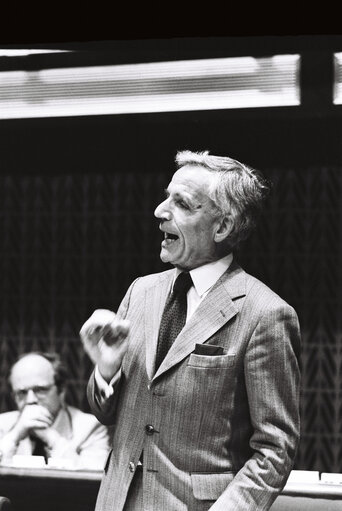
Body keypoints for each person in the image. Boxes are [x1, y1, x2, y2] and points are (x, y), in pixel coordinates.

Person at [80, 150, 301, 510]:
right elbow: (108, 414)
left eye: (181, 203)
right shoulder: (141, 291)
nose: (159, 211)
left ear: (223, 227)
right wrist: (105, 371)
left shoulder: (266, 314)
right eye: (167, 196)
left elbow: (275, 451)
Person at [0, 351, 110, 469]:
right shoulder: (2, 424)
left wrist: (52, 439)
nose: (30, 400)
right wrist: (14, 436)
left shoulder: (90, 427)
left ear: (61, 390)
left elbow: (95, 480)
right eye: (21, 393)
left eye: (40, 390)